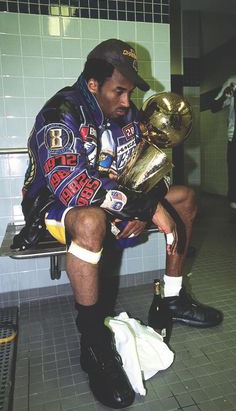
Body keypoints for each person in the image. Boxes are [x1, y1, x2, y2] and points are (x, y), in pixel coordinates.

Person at [13, 39, 223, 409]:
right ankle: (94, 344)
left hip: (117, 199)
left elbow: (151, 172)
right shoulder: (60, 113)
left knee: (186, 199)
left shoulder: (125, 115)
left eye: (130, 92)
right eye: (119, 91)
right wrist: (141, 207)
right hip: (54, 205)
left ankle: (172, 298)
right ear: (93, 84)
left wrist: (147, 202)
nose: (128, 102)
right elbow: (71, 186)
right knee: (93, 221)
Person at [211, 76, 236, 209]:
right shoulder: (232, 81)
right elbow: (214, 107)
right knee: (234, 169)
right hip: (234, 137)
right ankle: (234, 200)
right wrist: (226, 95)